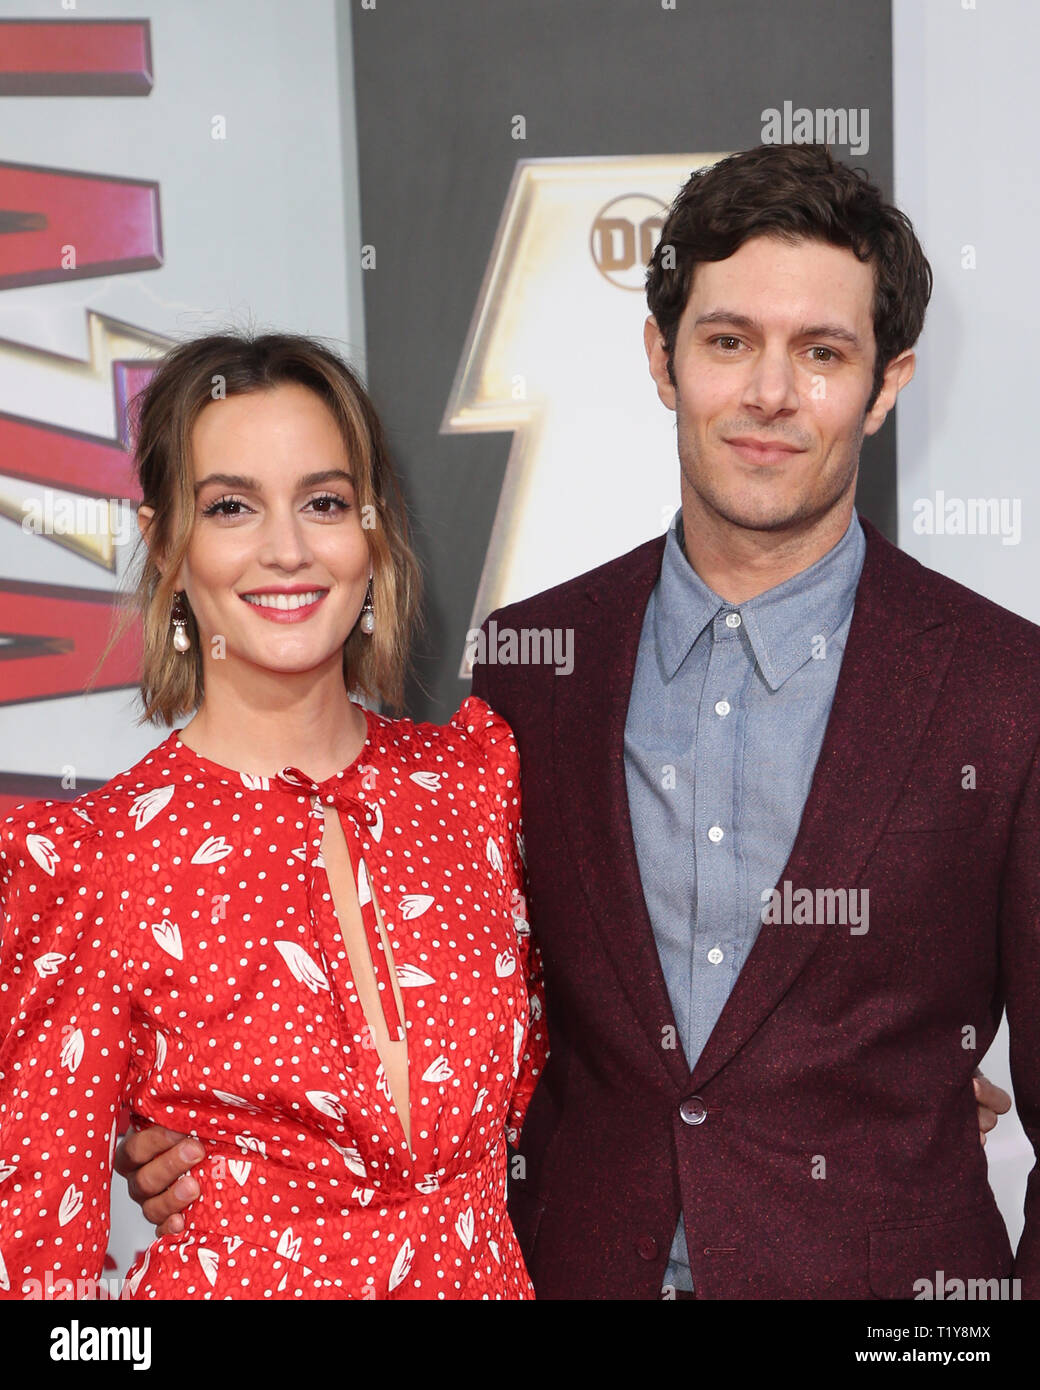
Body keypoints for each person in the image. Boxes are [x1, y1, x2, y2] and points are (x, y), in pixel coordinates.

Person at [116, 145, 1022, 1301]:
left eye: (822, 353)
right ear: (661, 355)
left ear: (885, 383)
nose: (767, 394)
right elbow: (444, 997)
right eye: (727, 340)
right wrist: (228, 1142)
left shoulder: (1004, 688)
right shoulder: (532, 666)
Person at [0, 333, 546, 1300]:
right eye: (231, 507)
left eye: (325, 502)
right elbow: (40, 1261)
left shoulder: (473, 786)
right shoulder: (91, 860)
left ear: (373, 533)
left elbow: (576, 1092)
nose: (287, 548)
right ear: (167, 544)